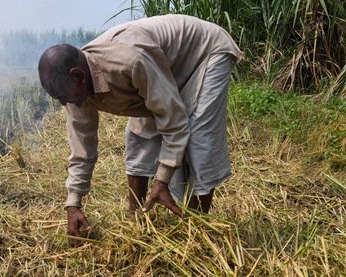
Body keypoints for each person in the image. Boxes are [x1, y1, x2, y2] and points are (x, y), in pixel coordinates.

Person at [38, 14, 243, 247]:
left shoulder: (129, 62)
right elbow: (82, 151)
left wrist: (162, 179)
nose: (63, 103)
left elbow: (173, 119)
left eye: (62, 97)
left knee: (199, 140)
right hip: (161, 65)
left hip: (203, 53)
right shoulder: (74, 89)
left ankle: (195, 233)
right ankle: (136, 220)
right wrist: (73, 203)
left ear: (78, 76)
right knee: (138, 134)